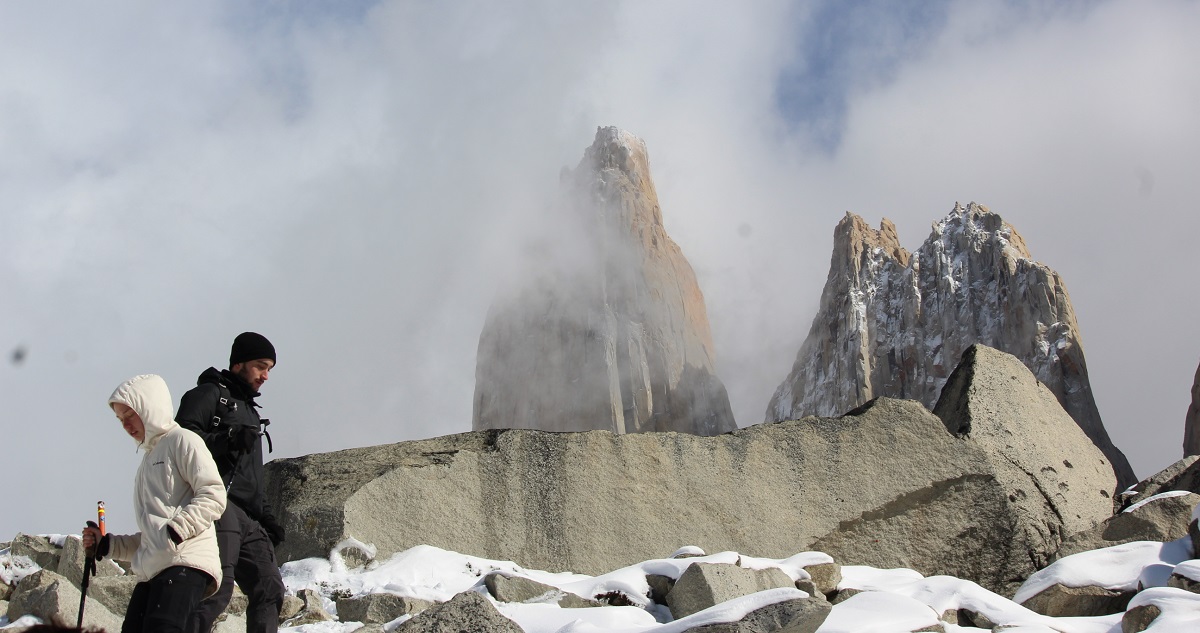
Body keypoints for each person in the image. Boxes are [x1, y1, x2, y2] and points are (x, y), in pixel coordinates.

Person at [82, 374, 226, 633]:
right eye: (120, 420)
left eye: (129, 415)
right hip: (154, 571)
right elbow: (153, 536)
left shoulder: (182, 440)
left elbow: (214, 493)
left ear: (148, 408)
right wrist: (107, 544)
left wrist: (178, 529)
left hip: (184, 562)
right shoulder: (147, 461)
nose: (126, 425)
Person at [176, 332, 285, 633]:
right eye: (261, 366)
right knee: (216, 588)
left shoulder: (249, 411)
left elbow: (250, 475)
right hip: (217, 503)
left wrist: (267, 518)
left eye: (270, 369)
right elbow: (178, 442)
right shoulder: (210, 395)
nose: (265, 376)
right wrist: (227, 439)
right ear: (238, 364)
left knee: (270, 589)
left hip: (249, 518)